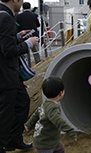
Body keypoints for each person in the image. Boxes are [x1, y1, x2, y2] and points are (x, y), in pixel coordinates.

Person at [0, 0, 39, 153]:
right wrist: (29, 43)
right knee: (6, 113)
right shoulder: (6, 17)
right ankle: (3, 144)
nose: (22, 2)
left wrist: (17, 37)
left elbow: (4, 43)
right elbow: (8, 51)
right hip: (5, 74)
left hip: (9, 74)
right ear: (15, 0)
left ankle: (14, 139)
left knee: (22, 102)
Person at [24, 77, 77, 153]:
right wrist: (70, 131)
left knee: (60, 150)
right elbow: (58, 120)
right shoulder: (53, 108)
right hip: (45, 144)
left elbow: (36, 114)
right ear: (61, 93)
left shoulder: (44, 103)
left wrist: (28, 124)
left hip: (51, 139)